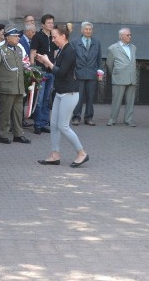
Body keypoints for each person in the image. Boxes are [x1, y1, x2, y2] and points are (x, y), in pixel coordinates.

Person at [34, 24, 90, 167]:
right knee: (54, 125)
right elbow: (58, 69)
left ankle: (81, 153)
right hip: (60, 92)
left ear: (63, 36)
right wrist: (46, 62)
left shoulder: (69, 50)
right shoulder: (63, 49)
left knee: (63, 125)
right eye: (52, 37)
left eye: (55, 37)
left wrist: (47, 62)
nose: (53, 40)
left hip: (69, 93)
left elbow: (61, 72)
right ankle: (55, 154)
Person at [0, 27, 31, 145]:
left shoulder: (18, 50)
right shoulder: (1, 50)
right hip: (6, 88)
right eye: (15, 36)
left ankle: (18, 134)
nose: (18, 38)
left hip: (18, 87)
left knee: (18, 112)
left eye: (18, 36)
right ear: (8, 37)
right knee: (5, 112)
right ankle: (3, 134)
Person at [71, 21, 102, 126]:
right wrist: (72, 72)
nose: (88, 31)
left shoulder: (97, 42)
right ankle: (76, 117)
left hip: (92, 73)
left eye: (90, 29)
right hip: (79, 73)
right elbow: (71, 59)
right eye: (86, 29)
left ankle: (89, 118)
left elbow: (99, 59)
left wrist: (100, 71)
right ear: (82, 30)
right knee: (78, 98)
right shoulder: (75, 42)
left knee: (90, 97)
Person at [30, 14, 57, 134]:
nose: (51, 25)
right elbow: (33, 53)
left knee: (47, 99)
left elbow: (55, 53)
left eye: (52, 22)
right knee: (39, 100)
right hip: (40, 72)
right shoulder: (37, 36)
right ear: (43, 25)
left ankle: (44, 123)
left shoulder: (53, 36)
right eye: (49, 23)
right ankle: (37, 124)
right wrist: (33, 69)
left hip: (51, 71)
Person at [106, 27, 137, 127]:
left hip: (131, 77)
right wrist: (115, 74)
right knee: (116, 101)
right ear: (121, 36)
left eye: (130, 35)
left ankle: (128, 119)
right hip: (119, 77)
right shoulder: (113, 48)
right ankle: (112, 119)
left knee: (130, 101)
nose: (130, 37)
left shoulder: (133, 47)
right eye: (128, 35)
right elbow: (109, 64)